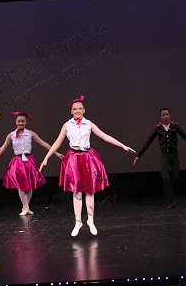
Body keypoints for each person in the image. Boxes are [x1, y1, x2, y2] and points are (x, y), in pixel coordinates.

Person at [39, 94, 136, 237]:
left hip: (87, 158)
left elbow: (104, 136)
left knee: (90, 191)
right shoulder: (67, 125)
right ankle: (78, 221)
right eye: (75, 109)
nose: (77, 111)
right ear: (71, 111)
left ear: (84, 110)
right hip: (73, 159)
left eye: (80, 108)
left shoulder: (89, 124)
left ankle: (90, 220)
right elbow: (57, 142)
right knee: (76, 192)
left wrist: (122, 145)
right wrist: (46, 158)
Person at [0, 111, 62, 216]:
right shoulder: (11, 135)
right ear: (16, 122)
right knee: (21, 185)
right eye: (19, 121)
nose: (20, 123)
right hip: (17, 162)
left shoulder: (31, 134)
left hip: (29, 161)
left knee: (30, 186)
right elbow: (2, 148)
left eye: (22, 121)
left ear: (26, 122)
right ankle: (26, 207)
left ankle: (26, 207)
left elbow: (43, 143)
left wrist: (56, 153)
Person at [132, 107, 186, 208]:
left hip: (174, 154)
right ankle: (171, 201)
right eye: (163, 115)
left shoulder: (175, 126)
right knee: (166, 178)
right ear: (160, 117)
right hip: (165, 156)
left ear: (170, 115)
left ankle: (170, 194)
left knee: (175, 176)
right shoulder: (158, 128)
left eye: (167, 114)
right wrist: (139, 155)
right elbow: (148, 142)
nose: (165, 116)